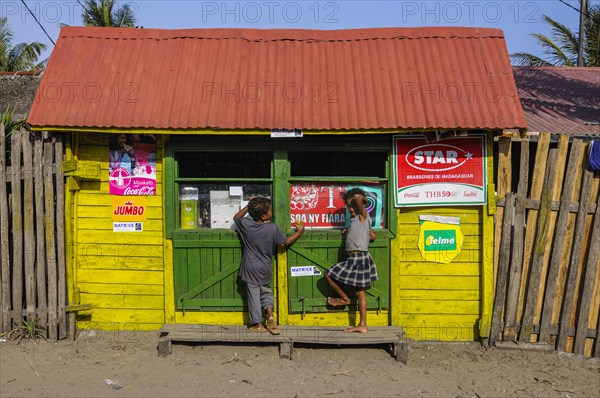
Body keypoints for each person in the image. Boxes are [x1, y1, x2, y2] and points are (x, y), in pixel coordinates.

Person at [233, 196, 305, 334]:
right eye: (270, 211)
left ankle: (257, 324)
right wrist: (300, 232)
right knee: (266, 291)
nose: (272, 213)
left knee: (253, 295)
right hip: (265, 267)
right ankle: (270, 317)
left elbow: (236, 217)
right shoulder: (272, 228)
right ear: (264, 216)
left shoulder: (247, 225)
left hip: (249, 266)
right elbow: (287, 242)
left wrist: (250, 205)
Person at [324, 188, 378, 334]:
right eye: (349, 206)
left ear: (361, 206)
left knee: (359, 292)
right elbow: (372, 236)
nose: (351, 208)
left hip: (359, 258)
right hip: (354, 259)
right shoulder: (358, 221)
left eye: (354, 205)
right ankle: (358, 319)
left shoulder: (362, 216)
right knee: (357, 291)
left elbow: (358, 198)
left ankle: (359, 320)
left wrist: (360, 201)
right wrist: (351, 233)